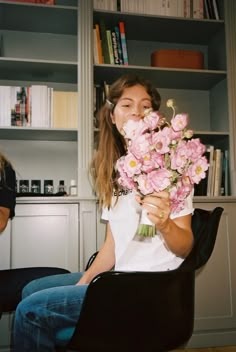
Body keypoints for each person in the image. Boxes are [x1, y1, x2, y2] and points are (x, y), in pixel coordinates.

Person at [13, 74, 194, 351]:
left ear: (156, 117)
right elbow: (111, 248)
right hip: (117, 279)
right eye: (126, 104)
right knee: (31, 291)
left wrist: (166, 223)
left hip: (149, 289)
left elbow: (185, 247)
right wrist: (85, 282)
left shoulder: (173, 166)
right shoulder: (118, 170)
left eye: (145, 106)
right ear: (112, 116)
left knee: (30, 310)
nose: (136, 112)